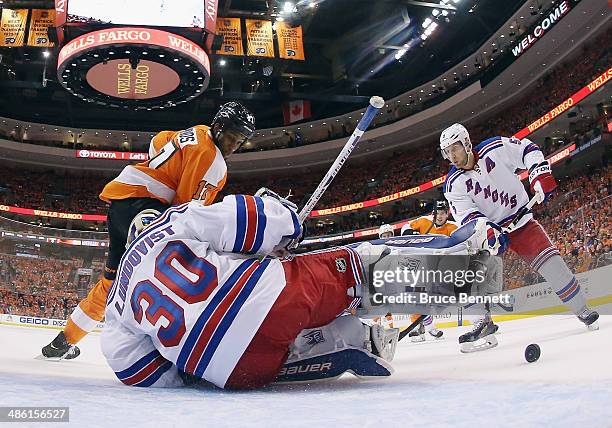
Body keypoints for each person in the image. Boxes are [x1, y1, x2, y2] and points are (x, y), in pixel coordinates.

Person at [102, 191, 401, 389]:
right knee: (345, 268)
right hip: (270, 300)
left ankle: (342, 338)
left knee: (265, 340)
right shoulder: (171, 221)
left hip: (232, 372)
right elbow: (243, 220)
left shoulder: (116, 298)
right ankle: (442, 279)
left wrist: (190, 374)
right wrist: (287, 223)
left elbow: (133, 368)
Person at [41, 102, 256, 360]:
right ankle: (175, 350)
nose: (236, 145)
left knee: (111, 284)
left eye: (242, 141)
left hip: (121, 205)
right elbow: (188, 212)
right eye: (234, 137)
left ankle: (63, 342)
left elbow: (158, 142)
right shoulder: (213, 162)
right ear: (219, 127)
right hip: (145, 212)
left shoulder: (197, 131)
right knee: (174, 279)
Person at [439, 123, 599, 352]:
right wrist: (488, 232)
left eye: (454, 148)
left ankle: (581, 309)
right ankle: (481, 322)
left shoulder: (493, 149)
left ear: (466, 143)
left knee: (553, 265)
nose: (452, 156)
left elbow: (527, 149)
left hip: (521, 222)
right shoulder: (453, 184)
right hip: (490, 233)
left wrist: (538, 174)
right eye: (447, 152)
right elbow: (467, 217)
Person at [401, 200, 457, 342]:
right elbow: (405, 228)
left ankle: (429, 328)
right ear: (433, 213)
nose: (440, 216)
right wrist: (410, 233)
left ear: (447, 214)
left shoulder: (453, 227)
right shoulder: (424, 221)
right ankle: (423, 329)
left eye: (443, 213)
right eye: (437, 213)